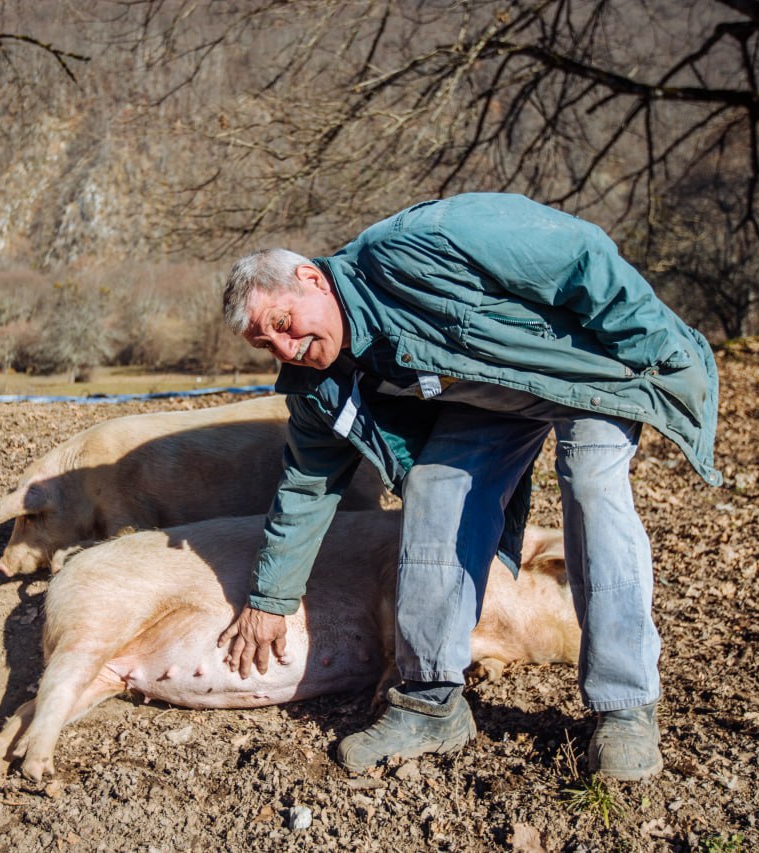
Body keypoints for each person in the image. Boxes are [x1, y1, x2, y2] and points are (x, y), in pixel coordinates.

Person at [216, 193, 720, 780]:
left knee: (590, 483)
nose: (284, 348)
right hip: (493, 395)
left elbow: (578, 252)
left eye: (282, 324)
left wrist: (652, 347)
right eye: (264, 345)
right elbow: (305, 486)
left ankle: (625, 708)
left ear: (311, 279)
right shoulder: (320, 384)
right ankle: (431, 703)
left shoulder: (416, 243)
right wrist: (269, 600)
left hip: (590, 364)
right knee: (435, 487)